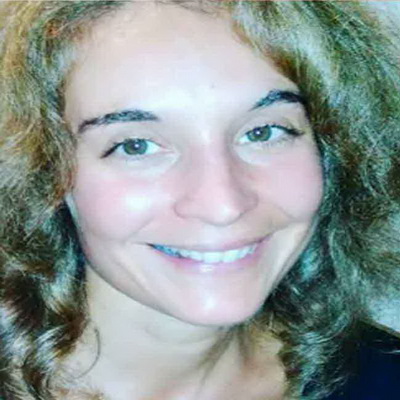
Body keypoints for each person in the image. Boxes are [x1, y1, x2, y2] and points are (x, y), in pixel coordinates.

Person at [0, 1, 399, 399]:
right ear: (38, 172)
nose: (223, 205)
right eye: (136, 146)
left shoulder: (382, 377)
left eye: (263, 132)